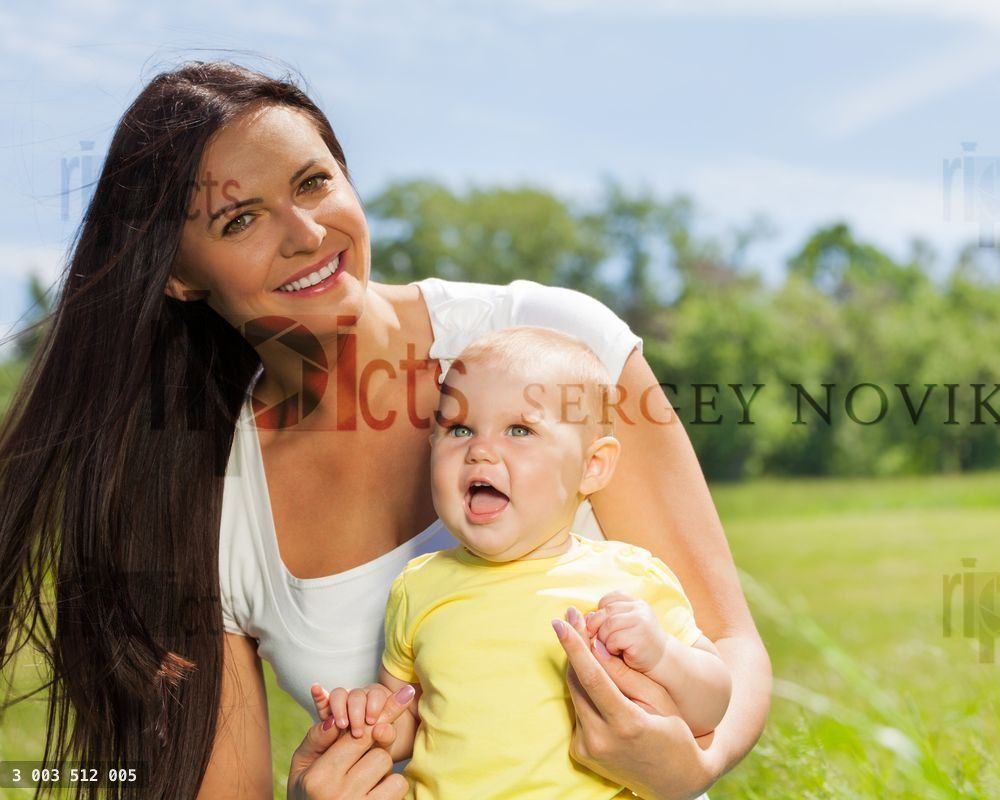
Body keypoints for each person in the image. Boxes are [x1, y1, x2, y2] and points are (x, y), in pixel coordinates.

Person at [0, 60, 771, 800]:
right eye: (241, 219)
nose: (305, 232)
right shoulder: (208, 503)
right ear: (180, 275)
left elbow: (727, 644)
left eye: (313, 182)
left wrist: (689, 771)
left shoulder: (551, 338)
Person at [313, 326, 733, 798]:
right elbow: (408, 713)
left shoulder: (629, 578)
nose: (480, 449)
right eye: (458, 428)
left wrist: (663, 655)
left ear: (591, 466)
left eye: (520, 430)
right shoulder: (419, 584)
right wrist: (372, 715)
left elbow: (713, 700)